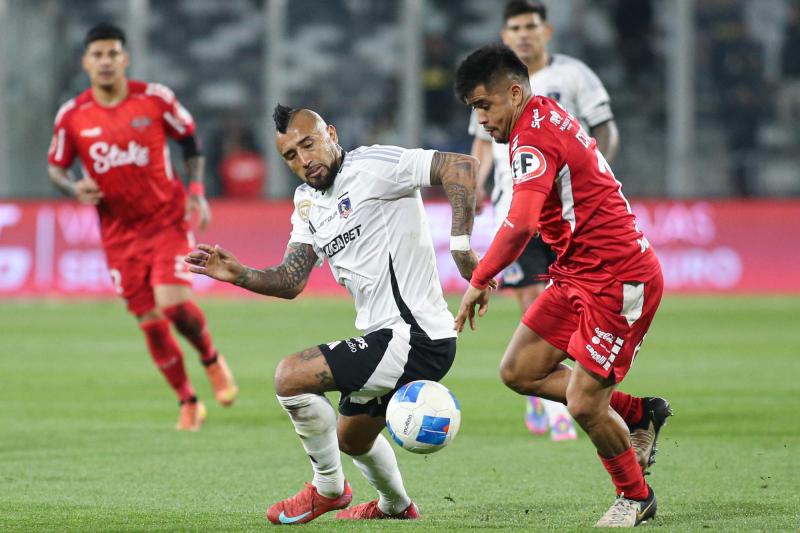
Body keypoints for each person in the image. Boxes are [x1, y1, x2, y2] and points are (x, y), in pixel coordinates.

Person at [185, 105, 481, 524]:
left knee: (290, 376)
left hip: (415, 335)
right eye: (290, 155)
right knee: (351, 439)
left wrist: (462, 247)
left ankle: (327, 488)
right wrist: (240, 274)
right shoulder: (307, 202)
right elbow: (291, 279)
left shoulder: (374, 166)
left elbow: (460, 166)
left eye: (309, 144)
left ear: (332, 135)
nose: (304, 160)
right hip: (387, 338)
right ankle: (396, 507)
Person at [453, 44, 671, 527]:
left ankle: (636, 496)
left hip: (618, 279)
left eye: (485, 105)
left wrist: (479, 279)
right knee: (519, 371)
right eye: (474, 108)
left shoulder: (531, 138)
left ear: (514, 93)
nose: (481, 119)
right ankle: (639, 413)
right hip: (576, 273)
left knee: (584, 404)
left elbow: (520, 223)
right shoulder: (541, 115)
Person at [47, 23, 237, 431]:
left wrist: (197, 190)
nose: (105, 61)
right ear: (86, 62)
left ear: (125, 59)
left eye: (112, 53)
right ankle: (188, 401)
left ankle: (210, 358)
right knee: (150, 321)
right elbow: (56, 167)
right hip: (118, 233)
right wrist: (72, 186)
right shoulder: (73, 116)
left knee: (174, 305)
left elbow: (189, 139)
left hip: (165, 220)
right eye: (97, 55)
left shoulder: (154, 99)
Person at [469, 0, 620, 441]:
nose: (523, 34)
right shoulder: (491, 88)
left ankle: (565, 387)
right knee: (533, 296)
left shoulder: (573, 76)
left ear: (546, 31)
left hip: (566, 211)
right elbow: (482, 143)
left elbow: (605, 128)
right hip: (515, 208)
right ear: (505, 35)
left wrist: (591, 177)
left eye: (530, 26)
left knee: (569, 296)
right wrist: (476, 183)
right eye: (514, 27)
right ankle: (549, 399)